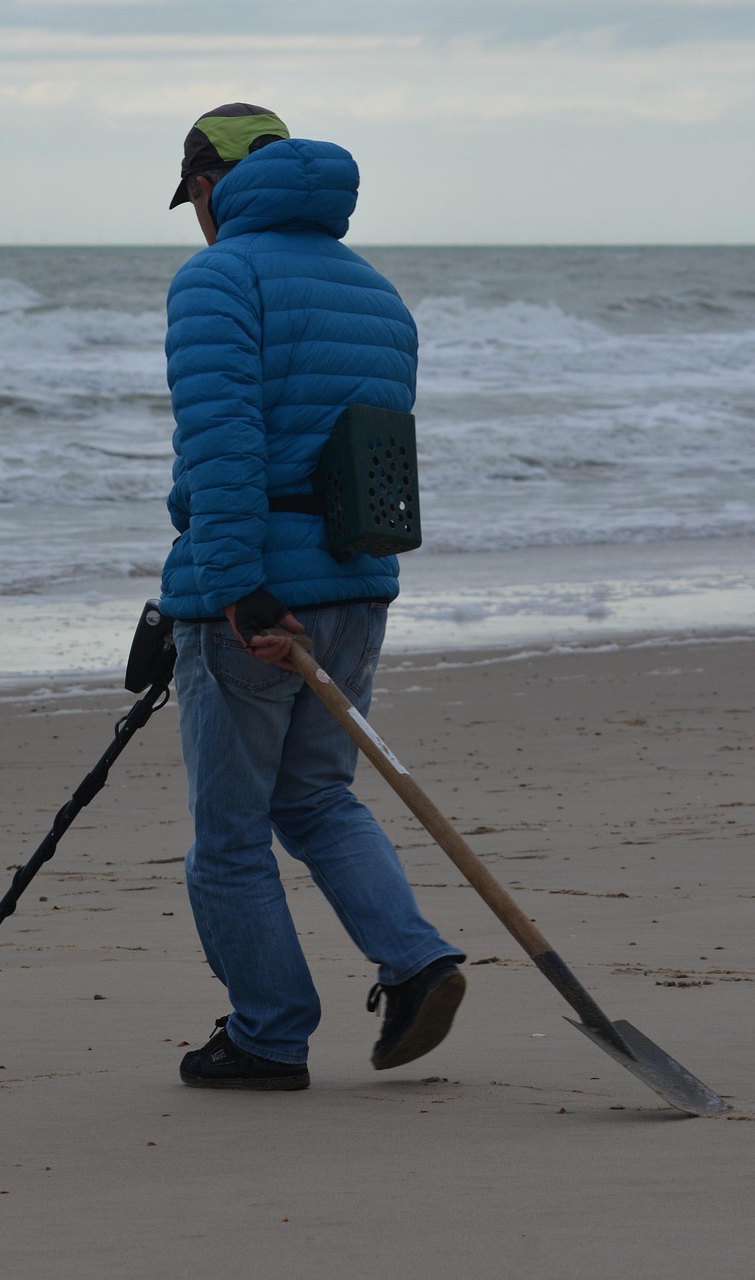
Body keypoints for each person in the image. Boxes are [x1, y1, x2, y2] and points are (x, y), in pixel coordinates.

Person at [161, 103, 465, 1090]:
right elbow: (368, 457)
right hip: (356, 584)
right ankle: (416, 958)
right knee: (317, 795)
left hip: (255, 596)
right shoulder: (376, 292)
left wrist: (233, 589)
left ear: (212, 186)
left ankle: (267, 1033)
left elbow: (224, 452)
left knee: (230, 837)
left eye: (191, 198)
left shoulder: (218, 277)